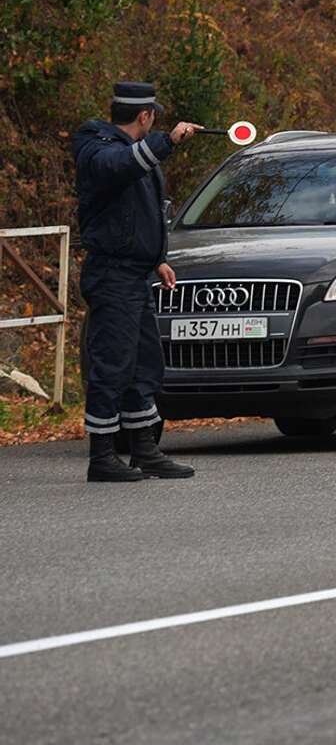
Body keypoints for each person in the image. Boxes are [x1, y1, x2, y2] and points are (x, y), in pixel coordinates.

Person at [70, 81, 199, 481]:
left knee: (144, 363)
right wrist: (168, 141)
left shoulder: (136, 156)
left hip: (138, 274)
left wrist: (157, 260)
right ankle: (102, 457)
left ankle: (144, 450)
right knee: (112, 365)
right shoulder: (97, 148)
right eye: (152, 117)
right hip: (111, 275)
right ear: (145, 116)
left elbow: (141, 212)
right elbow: (118, 168)